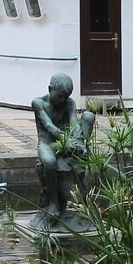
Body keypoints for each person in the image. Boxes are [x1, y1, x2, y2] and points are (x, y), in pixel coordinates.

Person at [31, 73, 96, 230]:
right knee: (49, 162)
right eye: (60, 96)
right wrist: (66, 141)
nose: (62, 100)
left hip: (67, 143)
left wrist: (76, 141)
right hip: (48, 144)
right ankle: (53, 202)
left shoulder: (69, 103)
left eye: (66, 97)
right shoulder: (38, 103)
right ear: (50, 89)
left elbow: (74, 122)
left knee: (88, 116)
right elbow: (48, 125)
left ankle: (86, 204)